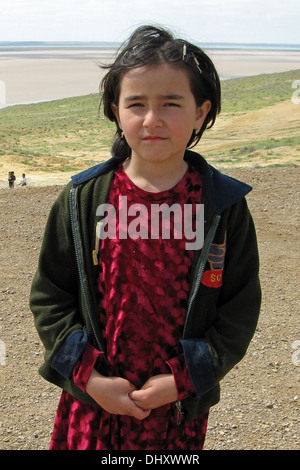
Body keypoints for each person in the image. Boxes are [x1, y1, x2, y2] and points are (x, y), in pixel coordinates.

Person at [30, 25, 261, 450]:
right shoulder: (84, 200)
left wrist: (184, 378)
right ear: (116, 112)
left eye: (171, 103)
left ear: (200, 112)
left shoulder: (222, 207)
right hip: (93, 406)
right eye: (136, 104)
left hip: (174, 410)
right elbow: (50, 295)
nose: (152, 119)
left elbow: (239, 308)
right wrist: (89, 376)